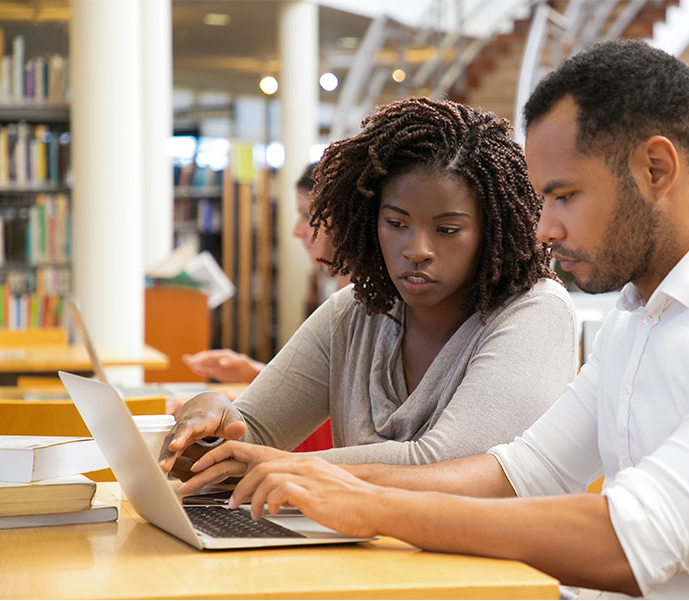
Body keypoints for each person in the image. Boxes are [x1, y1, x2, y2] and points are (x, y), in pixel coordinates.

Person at [177, 40, 689, 599]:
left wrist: (368, 503)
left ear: (656, 168)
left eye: (564, 195)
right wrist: (329, 483)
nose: (542, 229)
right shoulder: (638, 316)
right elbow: (518, 472)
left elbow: (631, 542)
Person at [160, 97, 579, 470]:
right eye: (396, 223)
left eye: (448, 229)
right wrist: (211, 422)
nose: (417, 249)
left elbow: (444, 463)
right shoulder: (354, 312)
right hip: (363, 557)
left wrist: (272, 464)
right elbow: (252, 434)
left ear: (492, 231)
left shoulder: (536, 313)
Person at [181, 162, 347, 385]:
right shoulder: (328, 284)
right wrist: (253, 372)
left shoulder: (362, 301)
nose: (297, 231)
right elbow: (319, 387)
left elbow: (329, 396)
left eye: (307, 216)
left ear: (343, 218)